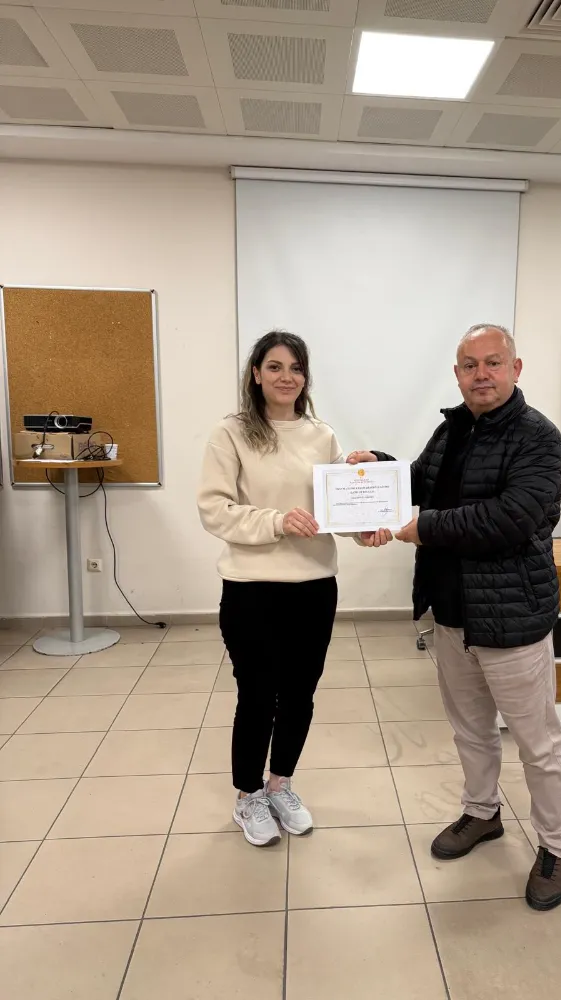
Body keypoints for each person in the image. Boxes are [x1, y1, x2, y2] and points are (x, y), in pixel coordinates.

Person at [348, 323, 561, 910]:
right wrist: (378, 468)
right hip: (451, 614)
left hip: (512, 618)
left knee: (538, 743)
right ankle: (482, 813)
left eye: (493, 362)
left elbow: (510, 518)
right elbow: (422, 481)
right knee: (471, 730)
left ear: (516, 368)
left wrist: (420, 527)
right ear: (457, 374)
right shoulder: (451, 428)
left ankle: (557, 847)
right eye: (470, 365)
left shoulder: (538, 437)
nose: (482, 375)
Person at [198, 330, 388, 848]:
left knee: (300, 694)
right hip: (251, 588)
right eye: (275, 367)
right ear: (256, 374)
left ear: (306, 377)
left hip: (314, 588)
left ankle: (280, 784)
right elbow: (215, 509)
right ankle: (248, 795)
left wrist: (364, 528)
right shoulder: (230, 433)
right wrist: (277, 521)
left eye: (296, 368)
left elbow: (333, 509)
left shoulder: (321, 436)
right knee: (258, 695)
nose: (287, 377)